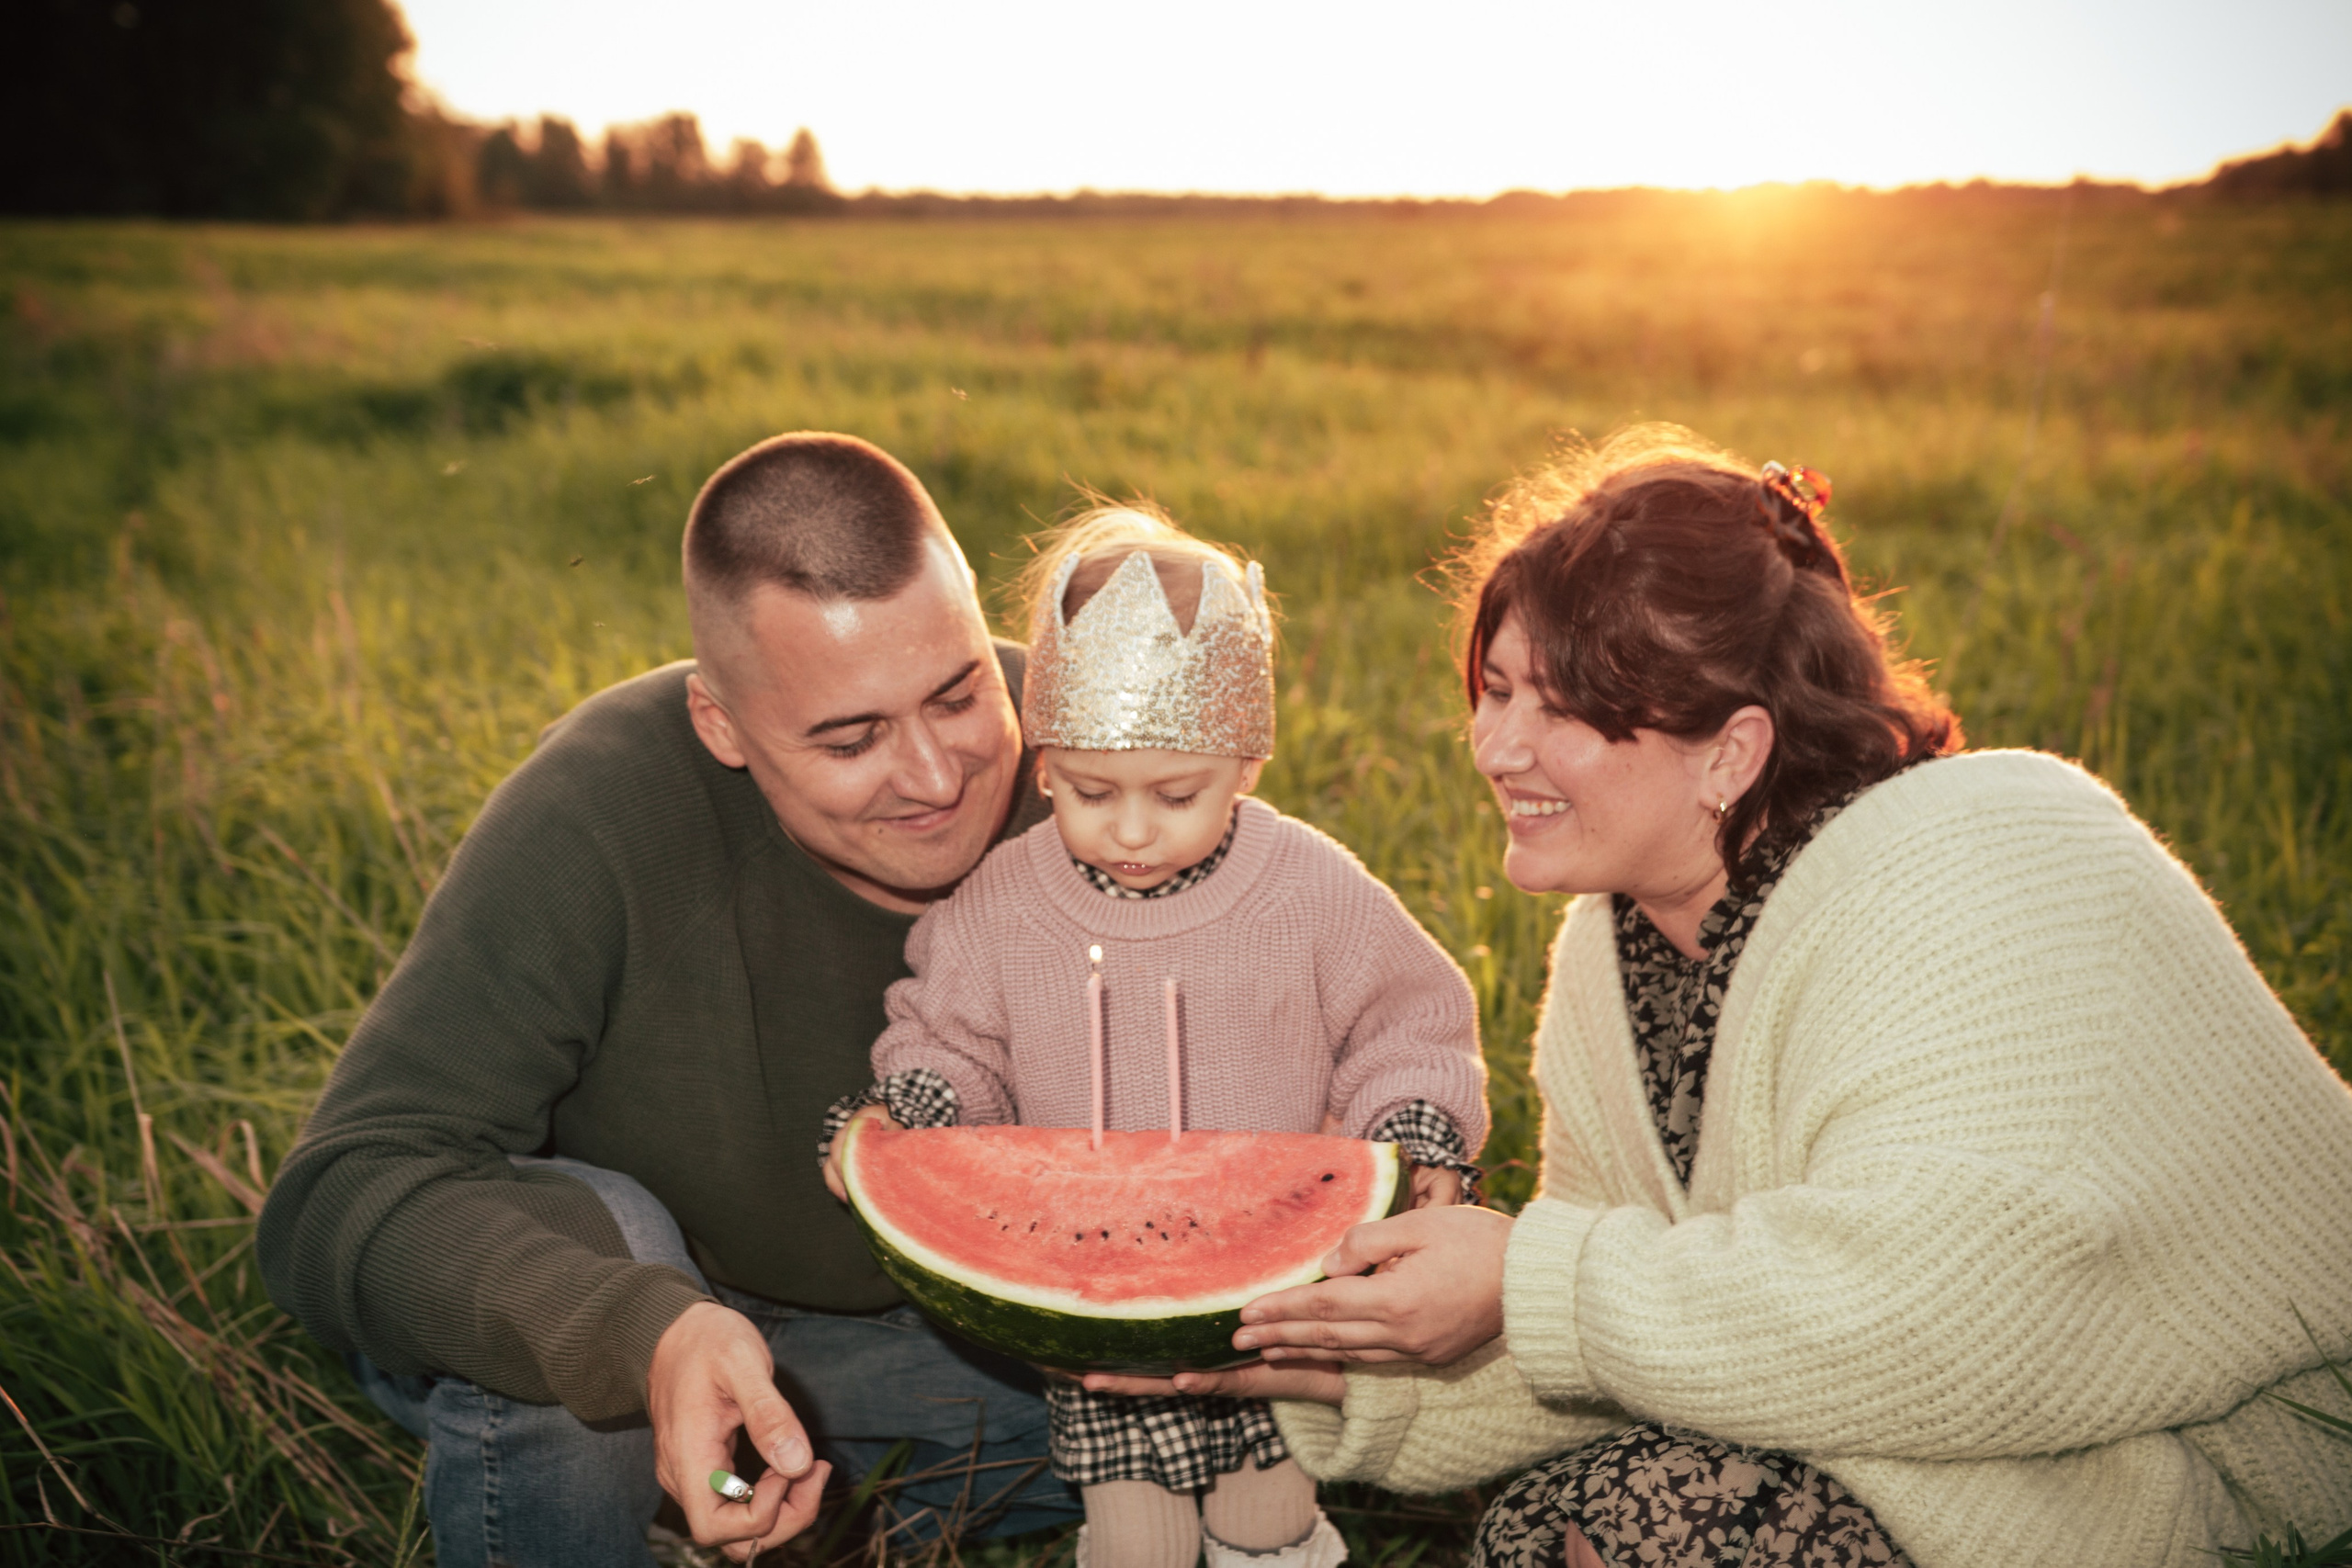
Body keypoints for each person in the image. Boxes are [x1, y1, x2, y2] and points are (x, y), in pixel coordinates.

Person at [1088, 428, 2352, 1568]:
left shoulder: (1992, 843)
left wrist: (1533, 1274)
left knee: (1654, 1518)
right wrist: (1308, 1358)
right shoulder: (1613, 945)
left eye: (1563, 707)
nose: (1495, 746)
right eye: (1498, 687)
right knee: (1566, 1516)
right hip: (1951, 1424)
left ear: (1732, 752)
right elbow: (1652, 1328)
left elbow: (1947, 1317)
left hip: (2229, 1450)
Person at [256, 433, 1086, 1567]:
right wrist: (634, 1334)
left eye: (961, 696)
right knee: (604, 1241)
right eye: (850, 741)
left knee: (1259, 1423)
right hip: (631, 1305)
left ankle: (785, 1518)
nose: (939, 778)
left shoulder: (1100, 766)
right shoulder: (600, 809)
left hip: (919, 1331)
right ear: (721, 726)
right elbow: (341, 1193)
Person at [819, 506, 1490, 1568]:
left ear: (1247, 764)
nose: (1131, 831)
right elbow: (950, 1042)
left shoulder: (1312, 889)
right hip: (1094, 1313)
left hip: (1281, 1306)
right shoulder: (999, 904)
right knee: (1134, 1540)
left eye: (1177, 795)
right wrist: (917, 1121)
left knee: (1266, 1522)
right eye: (1090, 791)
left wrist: (1419, 1139)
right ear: (1043, 764)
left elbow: (1407, 1023)